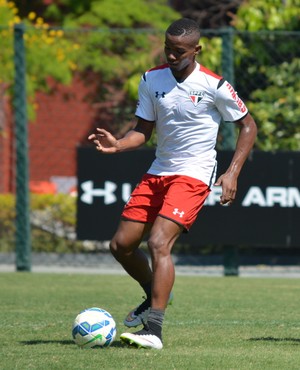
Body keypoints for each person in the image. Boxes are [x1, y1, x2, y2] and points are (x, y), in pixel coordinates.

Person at [88, 18, 257, 350]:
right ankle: (153, 293)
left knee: (158, 242)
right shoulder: (152, 79)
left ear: (197, 49)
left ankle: (154, 330)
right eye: (168, 48)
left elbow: (248, 126)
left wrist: (233, 171)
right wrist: (118, 144)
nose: (171, 55)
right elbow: (143, 130)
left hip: (194, 172)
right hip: (159, 170)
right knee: (120, 245)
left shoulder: (214, 85)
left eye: (179, 51)